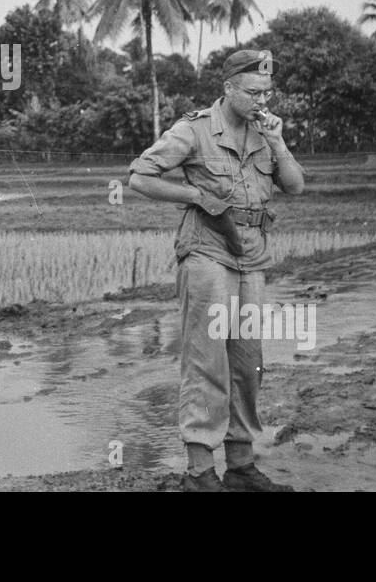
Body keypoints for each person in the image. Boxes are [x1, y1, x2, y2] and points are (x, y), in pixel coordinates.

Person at [128, 49, 305, 492]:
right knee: (207, 360)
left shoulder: (267, 132)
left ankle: (241, 466)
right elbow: (140, 176)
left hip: (252, 256)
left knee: (248, 361)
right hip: (208, 251)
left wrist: (280, 143)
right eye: (252, 92)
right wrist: (196, 196)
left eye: (267, 92)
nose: (261, 101)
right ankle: (200, 472)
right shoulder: (194, 129)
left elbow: (295, 185)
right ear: (228, 88)